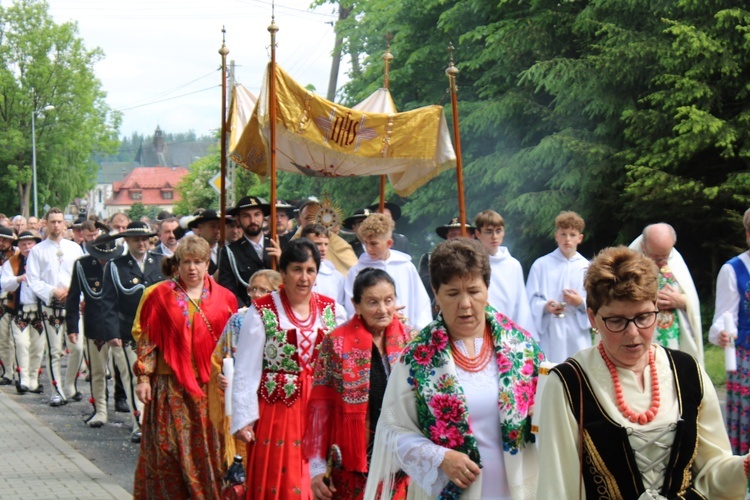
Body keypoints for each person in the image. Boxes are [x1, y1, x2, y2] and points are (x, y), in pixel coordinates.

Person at [538, 246, 748, 498]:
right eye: (616, 320)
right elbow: (558, 488)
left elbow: (713, 471)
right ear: (592, 318)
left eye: (644, 317)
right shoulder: (569, 383)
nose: (633, 333)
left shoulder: (688, 372)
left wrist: (745, 466)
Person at [365, 238, 542, 499]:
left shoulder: (521, 347)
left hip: (517, 488)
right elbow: (392, 432)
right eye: (452, 293)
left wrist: (540, 415)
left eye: (474, 291)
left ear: (487, 289)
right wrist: (440, 457)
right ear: (435, 293)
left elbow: (548, 411)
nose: (465, 304)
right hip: (449, 490)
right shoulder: (416, 359)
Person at [231, 238, 347, 499]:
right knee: (282, 482)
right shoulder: (262, 311)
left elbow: (345, 362)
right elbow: (246, 369)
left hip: (322, 412)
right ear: (283, 272)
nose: (304, 277)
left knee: (318, 481)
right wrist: (244, 418)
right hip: (278, 413)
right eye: (296, 269)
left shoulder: (333, 311)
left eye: (310, 270)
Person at [132, 235, 238, 499]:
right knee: (167, 451)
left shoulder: (225, 298)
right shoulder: (158, 296)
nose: (192, 268)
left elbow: (233, 345)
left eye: (199, 262)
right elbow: (147, 340)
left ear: (207, 264)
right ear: (176, 264)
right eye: (187, 262)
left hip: (209, 390)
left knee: (208, 453)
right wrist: (143, 377)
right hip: (169, 388)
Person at [305, 268, 412, 499]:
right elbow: (320, 409)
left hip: (400, 460)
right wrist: (317, 468)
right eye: (373, 302)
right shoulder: (336, 343)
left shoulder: (409, 340)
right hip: (352, 463)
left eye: (388, 300)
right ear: (356, 305)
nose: (383, 309)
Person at [99, 221, 165, 442]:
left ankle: (154, 422)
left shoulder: (161, 262)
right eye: (136, 239)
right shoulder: (115, 266)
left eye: (145, 238)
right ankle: (139, 423)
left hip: (157, 331)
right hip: (127, 331)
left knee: (155, 377)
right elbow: (107, 302)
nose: (141, 243)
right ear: (126, 241)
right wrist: (112, 333)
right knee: (132, 376)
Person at [209, 269, 283, 465]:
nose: (257, 295)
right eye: (253, 289)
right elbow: (218, 357)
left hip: (271, 398)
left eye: (263, 290)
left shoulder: (283, 324)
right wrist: (221, 376)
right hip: (241, 396)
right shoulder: (237, 320)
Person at [26, 207, 84, 406]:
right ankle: (56, 389)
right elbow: (33, 280)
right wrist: (52, 290)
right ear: (46, 223)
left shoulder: (75, 249)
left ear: (65, 224)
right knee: (54, 350)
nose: (57, 225)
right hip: (51, 305)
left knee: (77, 348)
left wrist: (74, 291)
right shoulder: (37, 250)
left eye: (60, 221)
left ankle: (69, 384)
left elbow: (81, 276)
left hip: (73, 305)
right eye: (53, 221)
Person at [65, 233, 124, 427]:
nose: (105, 261)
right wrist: (72, 327)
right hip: (95, 324)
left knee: (126, 372)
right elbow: (73, 297)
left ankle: (135, 414)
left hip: (119, 326)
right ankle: (100, 410)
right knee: (97, 372)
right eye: (101, 258)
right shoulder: (82, 265)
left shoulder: (120, 264)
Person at [630, 222, 703, 363]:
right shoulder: (629, 260)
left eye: (665, 256)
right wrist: (646, 300)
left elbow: (692, 299)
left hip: (675, 342)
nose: (662, 262)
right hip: (642, 339)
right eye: (656, 258)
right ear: (644, 247)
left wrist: (682, 301)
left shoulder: (675, 259)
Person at [345, 213, 432, 330]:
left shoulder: (406, 267)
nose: (369, 249)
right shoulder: (356, 271)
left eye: (374, 243)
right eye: (365, 243)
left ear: (389, 243)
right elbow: (352, 309)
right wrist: (385, 315)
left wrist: (419, 332)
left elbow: (421, 304)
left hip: (406, 334)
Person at [710, 208, 750, 454]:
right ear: (748, 234)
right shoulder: (733, 270)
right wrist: (724, 334)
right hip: (746, 359)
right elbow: (722, 320)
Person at [526, 211, 590, 362]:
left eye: (572, 235)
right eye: (563, 234)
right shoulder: (541, 265)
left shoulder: (587, 268)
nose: (567, 239)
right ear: (556, 236)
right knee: (552, 370)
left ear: (580, 238)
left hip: (577, 330)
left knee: (579, 370)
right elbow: (530, 300)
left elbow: (598, 302)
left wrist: (580, 302)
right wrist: (545, 306)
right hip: (551, 329)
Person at [474, 209, 536, 338]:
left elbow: (521, 303)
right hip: (480, 328)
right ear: (478, 233)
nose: (494, 237)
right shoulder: (473, 264)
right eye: (489, 232)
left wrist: (522, 334)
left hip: (508, 331)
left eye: (498, 231)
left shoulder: (513, 265)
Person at [1, 230, 42, 393]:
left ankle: (34, 379)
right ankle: (23, 379)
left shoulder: (43, 261)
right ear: (18, 246)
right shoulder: (12, 262)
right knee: (21, 344)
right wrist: (18, 278)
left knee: (38, 347)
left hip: (39, 311)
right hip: (20, 310)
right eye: (23, 244)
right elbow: (5, 284)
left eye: (30, 243)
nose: (27, 247)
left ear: (35, 244)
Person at [218, 196, 273, 307]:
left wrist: (282, 260)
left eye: (257, 214)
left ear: (264, 217)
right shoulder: (230, 251)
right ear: (238, 219)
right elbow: (229, 290)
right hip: (246, 310)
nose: (253, 220)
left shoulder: (278, 244)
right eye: (246, 216)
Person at [418, 217, 476, 318]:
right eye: (453, 235)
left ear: (472, 236)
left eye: (462, 234)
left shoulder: (480, 261)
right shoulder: (430, 259)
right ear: (447, 237)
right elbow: (425, 284)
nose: (457, 239)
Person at [301, 223, 347, 308]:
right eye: (317, 244)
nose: (323, 249)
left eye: (326, 244)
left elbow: (340, 308)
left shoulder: (337, 277)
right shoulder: (296, 274)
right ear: (304, 245)